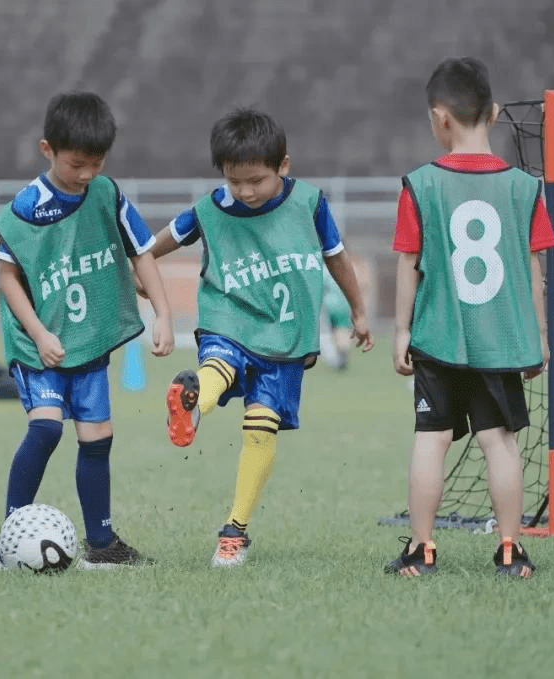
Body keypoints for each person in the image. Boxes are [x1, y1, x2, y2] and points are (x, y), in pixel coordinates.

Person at [148, 108, 373, 567]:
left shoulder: (309, 204)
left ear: (283, 166)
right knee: (218, 367)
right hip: (228, 316)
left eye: (256, 180)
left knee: (260, 425)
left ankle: (235, 526)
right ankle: (194, 405)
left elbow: (338, 259)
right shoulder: (209, 208)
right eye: (235, 181)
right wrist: (143, 281)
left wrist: (359, 310)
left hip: (285, 335)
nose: (245, 191)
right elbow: (154, 248)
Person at [0, 91, 174, 570]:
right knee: (46, 427)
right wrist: (40, 334)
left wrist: (165, 314)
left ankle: (102, 544)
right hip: (38, 344)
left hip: (86, 340)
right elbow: (7, 279)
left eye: (97, 162)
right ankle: (6, 540)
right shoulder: (26, 208)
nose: (87, 174)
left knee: (98, 437)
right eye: (76, 164)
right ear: (47, 149)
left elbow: (142, 253)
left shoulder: (108, 195)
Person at [386, 57, 554, 577]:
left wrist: (400, 331)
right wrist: (539, 339)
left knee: (430, 439)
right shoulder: (526, 188)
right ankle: (510, 548)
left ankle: (422, 549)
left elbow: (408, 264)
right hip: (501, 340)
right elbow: (534, 272)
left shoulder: (420, 184)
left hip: (437, 337)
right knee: (499, 442)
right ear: (496, 114)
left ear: (440, 118)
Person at [321, 271, 354, 370]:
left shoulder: (320, 270)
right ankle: (342, 357)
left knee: (325, 332)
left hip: (326, 304)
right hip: (342, 303)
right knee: (342, 330)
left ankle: (333, 358)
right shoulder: (341, 267)